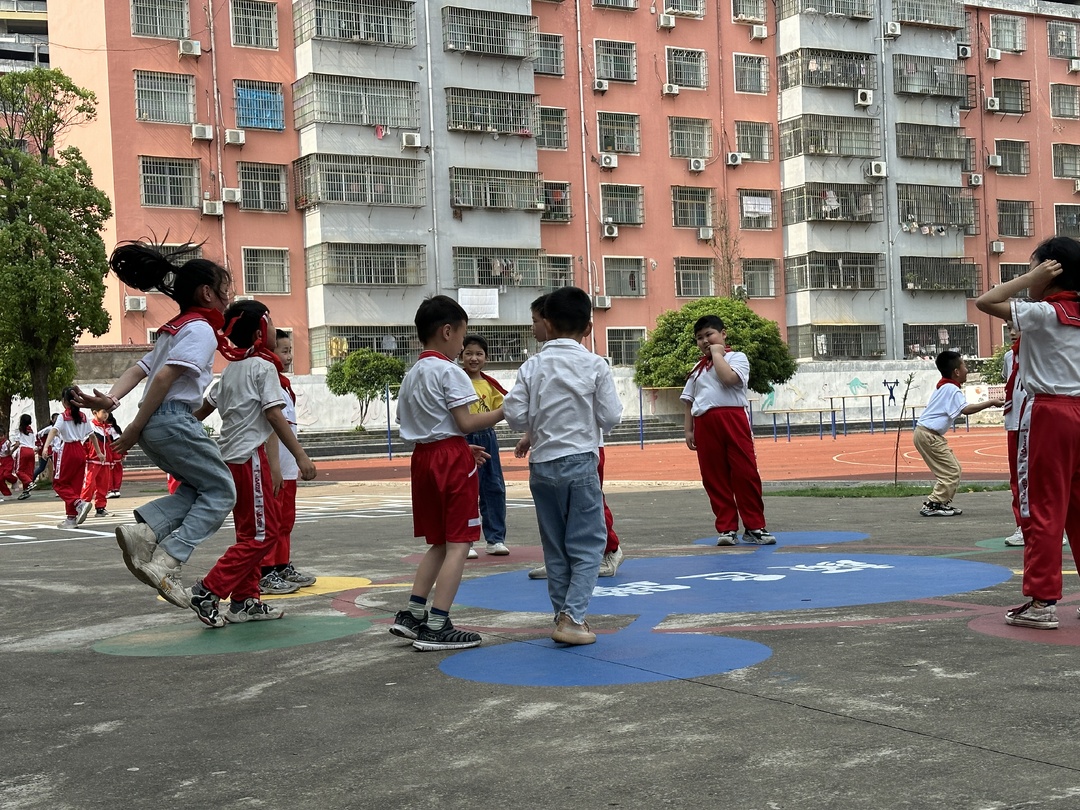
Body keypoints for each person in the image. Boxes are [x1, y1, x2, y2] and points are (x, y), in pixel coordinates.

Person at [73, 241, 236, 611]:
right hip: (171, 418)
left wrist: (110, 401)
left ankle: (143, 532)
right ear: (207, 293)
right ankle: (168, 562)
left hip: (157, 426)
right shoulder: (201, 331)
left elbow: (139, 369)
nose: (227, 301)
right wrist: (131, 426)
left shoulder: (172, 329)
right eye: (225, 293)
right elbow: (162, 379)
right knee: (224, 490)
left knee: (199, 488)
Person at [504, 286, 623, 645]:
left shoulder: (532, 365)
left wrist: (535, 426)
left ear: (548, 324)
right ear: (588, 327)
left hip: (542, 467)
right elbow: (611, 416)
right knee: (587, 545)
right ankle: (573, 618)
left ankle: (561, 615)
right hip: (580, 463)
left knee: (555, 546)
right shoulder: (594, 364)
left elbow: (513, 413)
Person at [188, 302, 317, 627]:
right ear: (261, 332)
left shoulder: (232, 369)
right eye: (271, 322)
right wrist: (300, 455)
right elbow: (274, 414)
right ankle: (208, 589)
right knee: (264, 535)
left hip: (233, 460)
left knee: (250, 534)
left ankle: (245, 601)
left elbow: (204, 410)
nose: (275, 328)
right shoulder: (262, 367)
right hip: (250, 459)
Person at [975, 236, 1080, 629]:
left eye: (1037, 266)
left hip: (1050, 414)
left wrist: (1025, 279)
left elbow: (986, 302)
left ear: (1049, 271)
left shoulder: (1042, 313)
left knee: (1042, 509)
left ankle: (1041, 602)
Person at [388, 295, 504, 652]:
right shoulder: (450, 371)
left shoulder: (412, 374)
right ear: (448, 331)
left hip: (423, 458)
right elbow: (467, 422)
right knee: (460, 541)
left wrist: (455, 444)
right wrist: (508, 410)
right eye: (462, 336)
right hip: (450, 460)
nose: (463, 345)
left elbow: (422, 425)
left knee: (439, 541)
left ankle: (413, 613)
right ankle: (438, 624)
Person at [521, 293, 626, 579]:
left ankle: (607, 551)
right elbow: (551, 411)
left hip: (584, 449)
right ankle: (562, 561)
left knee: (589, 506)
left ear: (549, 323)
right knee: (561, 511)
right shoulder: (538, 365)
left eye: (534, 321)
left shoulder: (588, 364)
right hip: (554, 449)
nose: (532, 327)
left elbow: (606, 415)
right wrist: (530, 435)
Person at [681, 315, 776, 546]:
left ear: (723, 334)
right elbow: (689, 401)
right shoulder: (697, 369)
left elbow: (729, 379)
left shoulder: (737, 358)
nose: (705, 341)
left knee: (745, 473)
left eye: (709, 335)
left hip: (733, 419)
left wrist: (717, 354)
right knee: (714, 477)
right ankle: (727, 528)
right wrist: (689, 430)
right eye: (699, 338)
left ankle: (754, 526)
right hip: (705, 423)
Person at [258, 328, 318, 594]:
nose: (290, 356)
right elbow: (270, 426)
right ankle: (265, 570)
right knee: (270, 520)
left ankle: (282, 565)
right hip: (274, 466)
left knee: (285, 519)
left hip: (287, 466)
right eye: (284, 351)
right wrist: (273, 468)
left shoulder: (284, 385)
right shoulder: (266, 383)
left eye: (290, 350)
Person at [912, 351, 1003, 517]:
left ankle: (940, 502)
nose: (967, 370)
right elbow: (965, 409)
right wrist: (991, 402)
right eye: (965, 366)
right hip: (928, 435)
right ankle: (934, 504)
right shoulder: (951, 389)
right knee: (951, 470)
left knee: (952, 469)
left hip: (926, 433)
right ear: (957, 371)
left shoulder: (945, 386)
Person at [460, 333, 510, 558]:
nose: (473, 358)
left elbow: (505, 407)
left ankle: (495, 539)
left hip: (488, 438)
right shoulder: (456, 380)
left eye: (479, 354)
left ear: (486, 358)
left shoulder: (490, 384)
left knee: (494, 487)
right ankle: (467, 540)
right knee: (466, 490)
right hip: (464, 438)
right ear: (460, 356)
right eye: (468, 353)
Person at [43, 388, 102, 528]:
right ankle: (71, 519)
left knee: (59, 483)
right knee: (74, 486)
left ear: (64, 402)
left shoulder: (63, 416)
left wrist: (46, 446)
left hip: (68, 450)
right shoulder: (83, 417)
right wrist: (99, 453)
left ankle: (79, 503)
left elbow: (54, 430)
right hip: (81, 451)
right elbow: (92, 436)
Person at [79, 408, 115, 518]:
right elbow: (83, 442)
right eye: (103, 412)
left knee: (103, 485)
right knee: (89, 484)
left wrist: (111, 459)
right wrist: (84, 457)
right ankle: (82, 505)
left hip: (105, 461)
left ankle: (100, 508)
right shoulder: (89, 425)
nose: (106, 415)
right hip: (92, 460)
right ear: (95, 412)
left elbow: (111, 445)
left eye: (107, 412)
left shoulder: (108, 428)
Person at [12, 415, 37, 500]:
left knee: (19, 471)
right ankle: (26, 491)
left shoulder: (19, 429)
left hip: (23, 450)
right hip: (31, 451)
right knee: (28, 472)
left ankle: (30, 483)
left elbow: (18, 443)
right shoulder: (31, 430)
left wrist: (11, 451)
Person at [107, 414, 125, 499]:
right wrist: (124, 453)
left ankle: (110, 490)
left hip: (111, 454)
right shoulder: (117, 429)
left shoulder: (107, 429)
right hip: (118, 454)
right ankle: (116, 489)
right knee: (118, 473)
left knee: (109, 473)